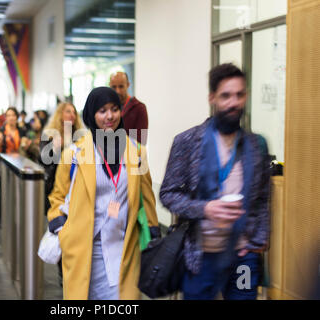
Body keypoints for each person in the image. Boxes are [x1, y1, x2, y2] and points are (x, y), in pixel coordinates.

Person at [159, 63, 271, 300]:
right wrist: (205, 208)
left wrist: (258, 241)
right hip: (201, 256)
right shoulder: (187, 142)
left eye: (239, 95)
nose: (233, 103)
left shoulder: (256, 145)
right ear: (212, 98)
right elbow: (168, 193)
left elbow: (262, 198)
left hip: (243, 256)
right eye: (226, 96)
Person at [47, 87, 160, 300]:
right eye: (102, 111)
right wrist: (62, 230)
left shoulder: (136, 152)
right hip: (84, 249)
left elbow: (146, 196)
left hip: (123, 249)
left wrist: (153, 231)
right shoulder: (73, 154)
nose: (110, 116)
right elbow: (57, 196)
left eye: (115, 109)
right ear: (91, 114)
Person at [40, 102, 83, 213]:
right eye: (68, 111)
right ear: (60, 114)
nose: (72, 115)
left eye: (74, 112)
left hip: (74, 184)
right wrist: (55, 150)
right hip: (54, 185)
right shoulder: (49, 135)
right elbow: (44, 162)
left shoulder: (79, 137)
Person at [109, 72, 148, 145]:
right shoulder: (107, 109)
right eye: (114, 87)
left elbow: (141, 142)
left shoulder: (139, 108)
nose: (117, 91)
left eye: (121, 86)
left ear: (128, 85)